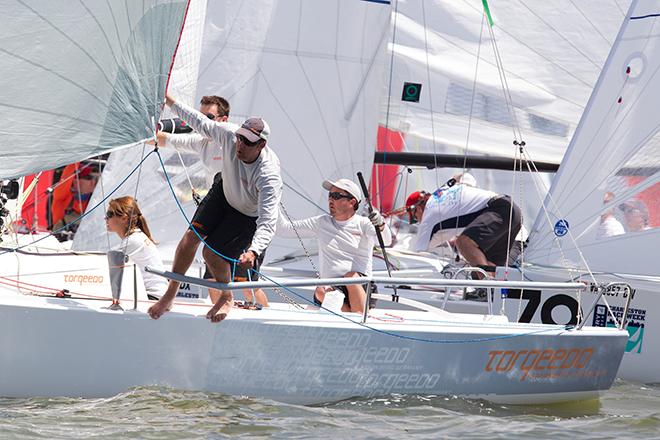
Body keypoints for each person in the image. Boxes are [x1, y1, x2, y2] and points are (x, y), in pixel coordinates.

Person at [148, 93, 282, 323]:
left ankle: (226, 298)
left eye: (248, 142)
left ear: (262, 145)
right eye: (240, 138)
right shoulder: (229, 135)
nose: (240, 144)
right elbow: (199, 122)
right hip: (223, 191)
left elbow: (268, 220)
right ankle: (169, 295)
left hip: (246, 214)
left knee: (210, 254)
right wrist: (168, 100)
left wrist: (254, 250)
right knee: (190, 239)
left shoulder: (268, 174)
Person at [277, 178, 391, 314]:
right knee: (321, 289)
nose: (331, 199)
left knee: (351, 277)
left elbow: (385, 241)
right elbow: (284, 229)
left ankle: (357, 315)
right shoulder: (321, 223)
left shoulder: (364, 223)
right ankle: (354, 315)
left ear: (352, 202)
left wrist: (381, 224)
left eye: (336, 196)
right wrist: (273, 200)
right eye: (330, 195)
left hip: (360, 285)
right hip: (332, 289)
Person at [407, 176, 521, 275]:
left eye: (415, 217)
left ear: (418, 208)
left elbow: (417, 252)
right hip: (511, 209)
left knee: (463, 243)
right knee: (486, 268)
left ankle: (487, 288)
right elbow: (465, 177)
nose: (419, 221)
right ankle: (493, 293)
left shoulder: (429, 213)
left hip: (499, 209)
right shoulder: (443, 190)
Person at [105, 196, 168, 298]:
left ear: (124, 218)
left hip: (152, 297)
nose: (105, 218)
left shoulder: (133, 240)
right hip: (156, 296)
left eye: (109, 214)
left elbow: (107, 265)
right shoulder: (136, 237)